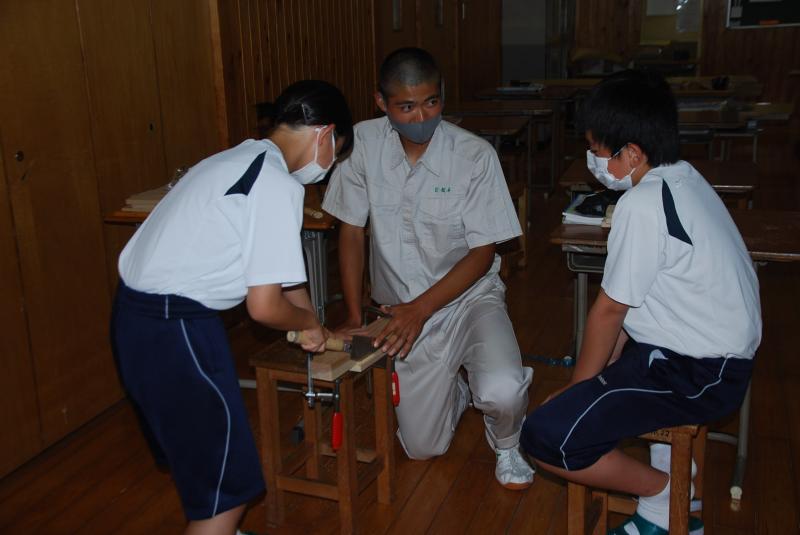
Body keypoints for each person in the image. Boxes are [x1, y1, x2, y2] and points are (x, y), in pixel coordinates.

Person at [521, 70, 761, 535]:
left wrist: (578, 389)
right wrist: (594, 380)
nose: (592, 160)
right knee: (598, 384)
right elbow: (632, 309)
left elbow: (610, 310)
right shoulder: (684, 177)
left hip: (702, 372)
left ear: (632, 153)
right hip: (698, 355)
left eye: (597, 150)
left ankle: (665, 497)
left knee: (545, 436)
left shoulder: (642, 204)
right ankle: (663, 511)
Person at [111, 80, 353, 535]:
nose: (326, 168)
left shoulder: (237, 158)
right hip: (176, 329)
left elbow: (285, 276)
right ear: (325, 134)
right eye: (334, 154)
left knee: (203, 462)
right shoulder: (277, 183)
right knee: (228, 484)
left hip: (133, 318)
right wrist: (306, 322)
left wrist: (312, 324)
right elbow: (264, 307)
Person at [322, 47, 534, 490]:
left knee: (503, 389)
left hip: (469, 299)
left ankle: (507, 442)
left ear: (442, 95)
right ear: (381, 103)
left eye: (431, 102)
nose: (421, 116)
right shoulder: (361, 146)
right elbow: (351, 232)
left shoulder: (474, 156)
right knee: (421, 446)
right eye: (406, 107)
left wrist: (421, 310)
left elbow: (483, 254)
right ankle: (456, 391)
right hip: (401, 312)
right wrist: (356, 314)